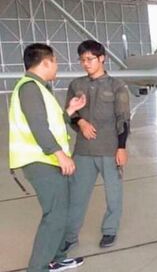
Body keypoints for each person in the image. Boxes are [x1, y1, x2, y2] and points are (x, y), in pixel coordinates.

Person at [8, 43, 86, 272]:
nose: (57, 66)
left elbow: (51, 123)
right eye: (55, 61)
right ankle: (38, 267)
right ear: (45, 62)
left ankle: (56, 257)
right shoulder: (30, 88)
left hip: (47, 159)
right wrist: (60, 155)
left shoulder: (40, 88)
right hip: (40, 161)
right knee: (55, 215)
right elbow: (38, 127)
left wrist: (69, 111)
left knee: (60, 212)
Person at [61, 40, 131, 251]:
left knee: (114, 194)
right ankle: (70, 236)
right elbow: (69, 114)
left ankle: (109, 230)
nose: (86, 63)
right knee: (76, 195)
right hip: (83, 150)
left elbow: (124, 119)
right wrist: (80, 122)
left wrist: (121, 147)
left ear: (102, 58)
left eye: (90, 59)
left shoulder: (117, 86)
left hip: (110, 149)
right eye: (82, 60)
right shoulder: (76, 85)